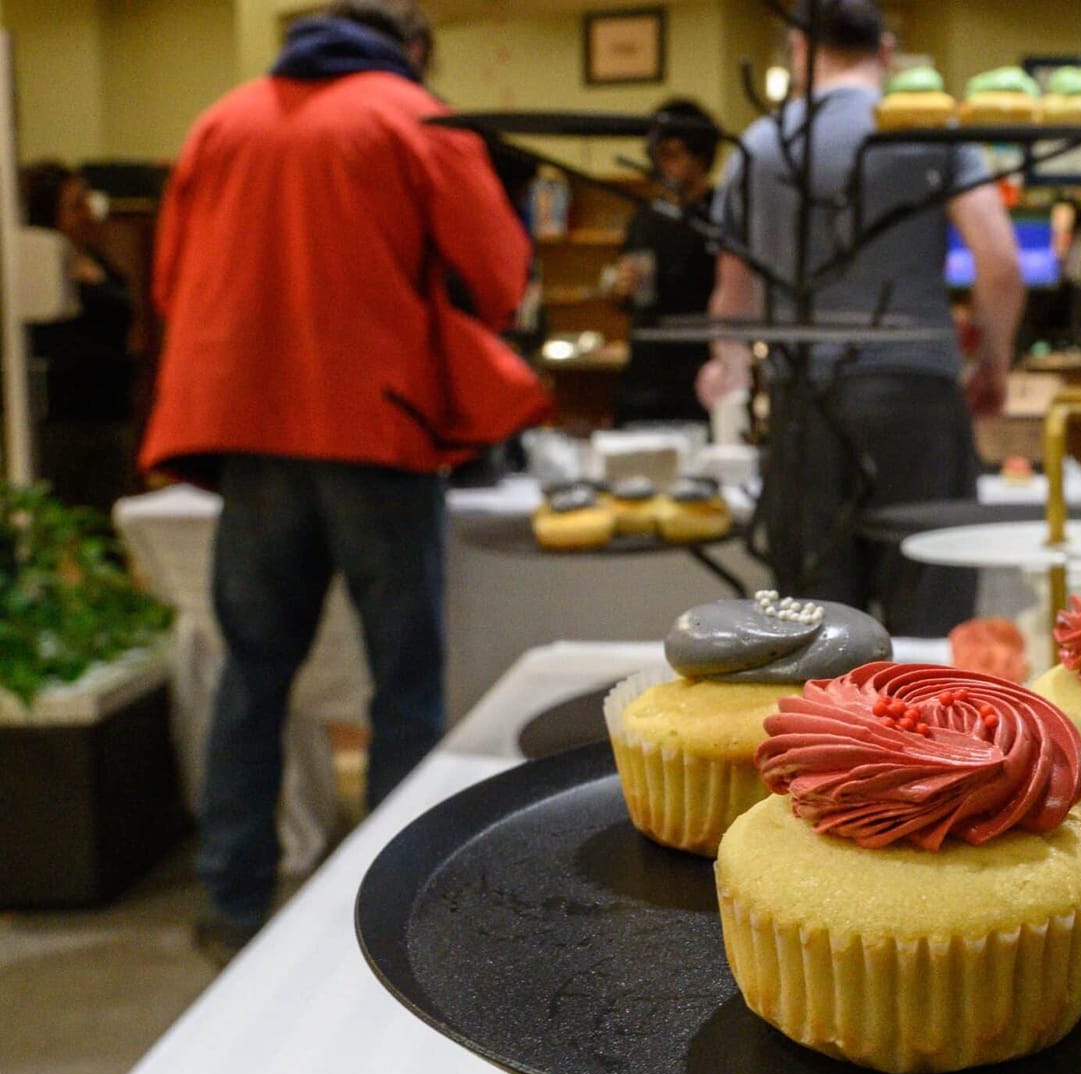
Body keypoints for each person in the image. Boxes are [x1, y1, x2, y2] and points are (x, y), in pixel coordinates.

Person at [141, 0, 530, 962]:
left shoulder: (221, 121)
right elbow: (497, 273)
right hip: (377, 428)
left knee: (252, 672)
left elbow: (171, 280)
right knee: (402, 682)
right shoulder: (412, 117)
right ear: (414, 46)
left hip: (250, 429)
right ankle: (390, 906)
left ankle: (232, 901)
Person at [697, 0, 1023, 636]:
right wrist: (994, 362)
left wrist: (728, 369)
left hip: (802, 405)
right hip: (918, 397)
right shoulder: (930, 131)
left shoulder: (760, 145)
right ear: (886, 53)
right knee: (932, 622)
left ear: (798, 50)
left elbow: (734, 296)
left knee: (813, 632)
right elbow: (1002, 265)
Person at [20, 161, 137, 512]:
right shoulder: (39, 272)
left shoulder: (96, 260)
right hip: (65, 421)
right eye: (76, 206)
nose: (88, 213)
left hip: (110, 412)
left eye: (87, 200)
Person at [610, 99, 720, 425]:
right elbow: (627, 300)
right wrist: (620, 288)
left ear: (700, 157)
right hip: (643, 376)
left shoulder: (720, 215)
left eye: (671, 154)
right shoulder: (645, 218)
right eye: (655, 155)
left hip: (700, 376)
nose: (660, 165)